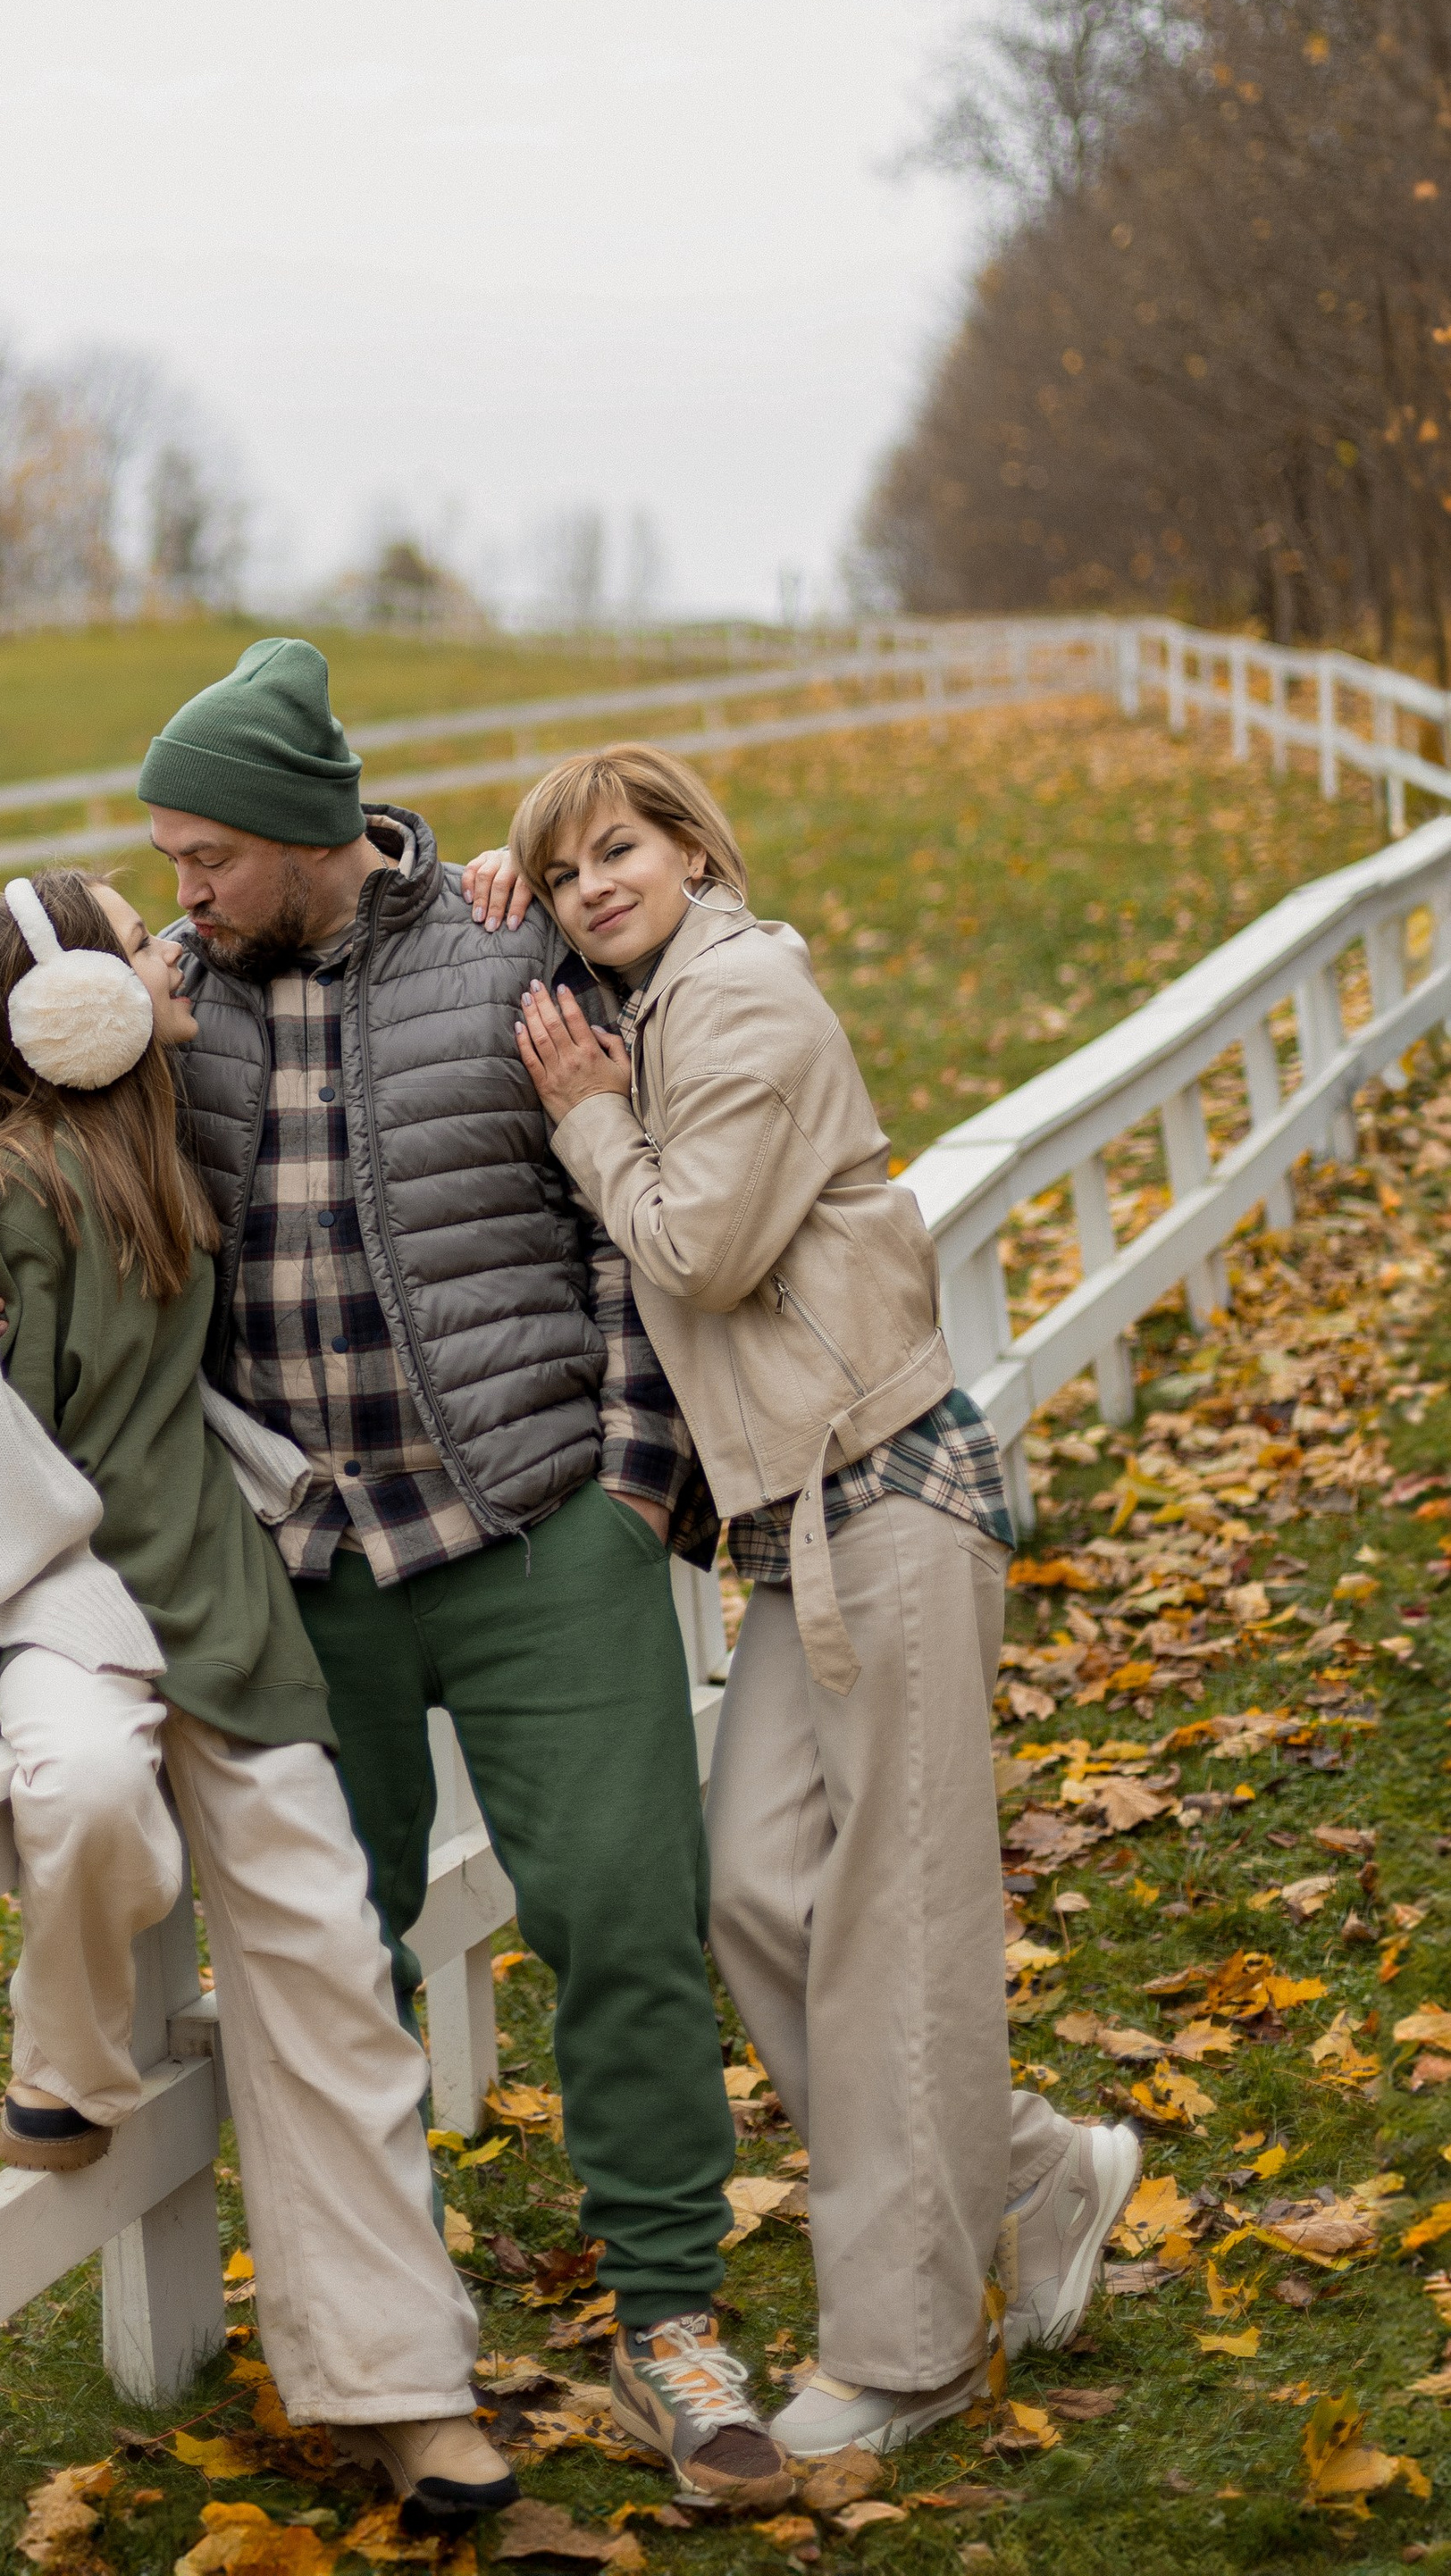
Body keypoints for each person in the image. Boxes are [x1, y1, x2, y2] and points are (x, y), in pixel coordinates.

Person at [132, 640, 793, 2521]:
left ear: (302, 826)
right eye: (168, 857)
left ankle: (670, 2318)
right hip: (304, 1576)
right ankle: (396, 2354)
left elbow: (644, 1186)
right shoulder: (173, 1005)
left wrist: (622, 1488)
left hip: (531, 1528)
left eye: (206, 853)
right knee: (330, 1976)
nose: (182, 883)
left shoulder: (512, 952)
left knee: (618, 1921)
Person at [466, 744, 1141, 2455]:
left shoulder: (747, 996)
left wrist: (584, 1120)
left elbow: (699, 1248)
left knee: (897, 1922)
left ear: (695, 847)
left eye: (619, 849)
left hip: (895, 1494)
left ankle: (911, 2351)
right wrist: (485, 883)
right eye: (565, 875)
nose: (591, 888)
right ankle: (1042, 2173)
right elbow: (566, 979)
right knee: (761, 1885)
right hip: (800, 1525)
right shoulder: (654, 983)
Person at [0, 868, 513, 2531]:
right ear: (64, 1011)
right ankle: (63, 2064)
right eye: (138, 943)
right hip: (71, 1610)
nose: (170, 954)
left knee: (335, 1977)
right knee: (79, 1801)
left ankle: (405, 2391)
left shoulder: (169, 1141)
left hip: (227, 1603)